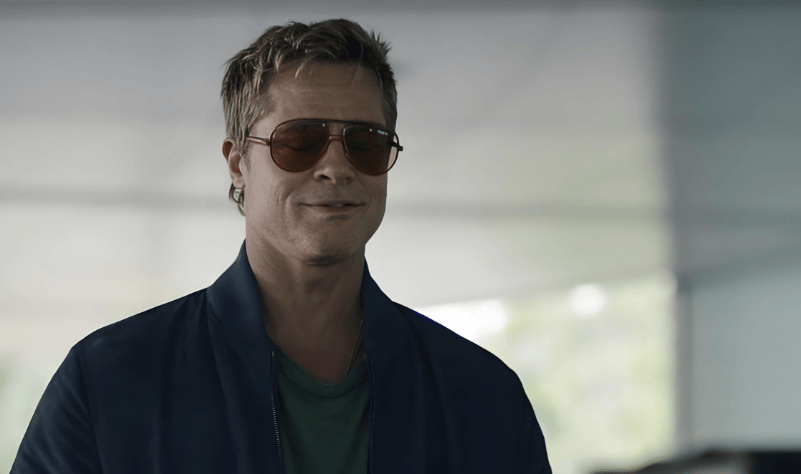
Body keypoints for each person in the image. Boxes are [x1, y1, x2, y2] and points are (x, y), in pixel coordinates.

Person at [11, 18, 552, 473]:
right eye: (300, 141)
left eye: (365, 142)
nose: (336, 166)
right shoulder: (109, 382)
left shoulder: (482, 397)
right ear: (237, 163)